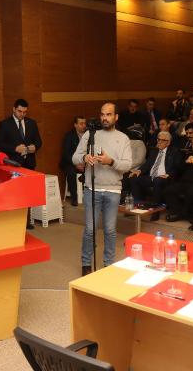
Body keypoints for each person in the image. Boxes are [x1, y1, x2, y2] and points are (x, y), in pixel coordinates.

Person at [72, 103, 132, 276]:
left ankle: (108, 264)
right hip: (92, 188)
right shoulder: (90, 134)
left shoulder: (123, 138)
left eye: (109, 114)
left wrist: (110, 161)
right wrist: (84, 157)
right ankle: (86, 263)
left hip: (113, 191)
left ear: (116, 117)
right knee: (90, 229)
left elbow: (127, 165)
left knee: (110, 230)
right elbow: (75, 157)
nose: (105, 118)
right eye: (103, 114)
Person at [129, 131, 181, 210]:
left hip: (165, 178)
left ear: (168, 142)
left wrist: (169, 174)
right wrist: (139, 171)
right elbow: (147, 164)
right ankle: (138, 205)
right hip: (151, 177)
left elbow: (178, 167)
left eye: (162, 140)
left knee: (158, 180)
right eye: (158, 139)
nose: (159, 142)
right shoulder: (154, 151)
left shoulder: (175, 152)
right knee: (134, 178)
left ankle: (155, 209)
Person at [0, 98, 42, 170]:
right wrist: (15, 148)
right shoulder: (5, 124)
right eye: (19, 111)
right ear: (14, 109)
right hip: (13, 163)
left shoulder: (31, 123)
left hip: (30, 164)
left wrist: (35, 147)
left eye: (24, 112)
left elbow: (39, 142)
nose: (22, 114)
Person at [60, 116, 86, 206]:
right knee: (71, 173)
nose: (84, 126)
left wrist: (85, 164)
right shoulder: (69, 136)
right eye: (81, 123)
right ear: (75, 125)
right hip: (70, 163)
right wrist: (76, 164)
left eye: (84, 123)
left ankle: (91, 196)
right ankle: (74, 197)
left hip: (84, 162)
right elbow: (66, 154)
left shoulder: (88, 135)